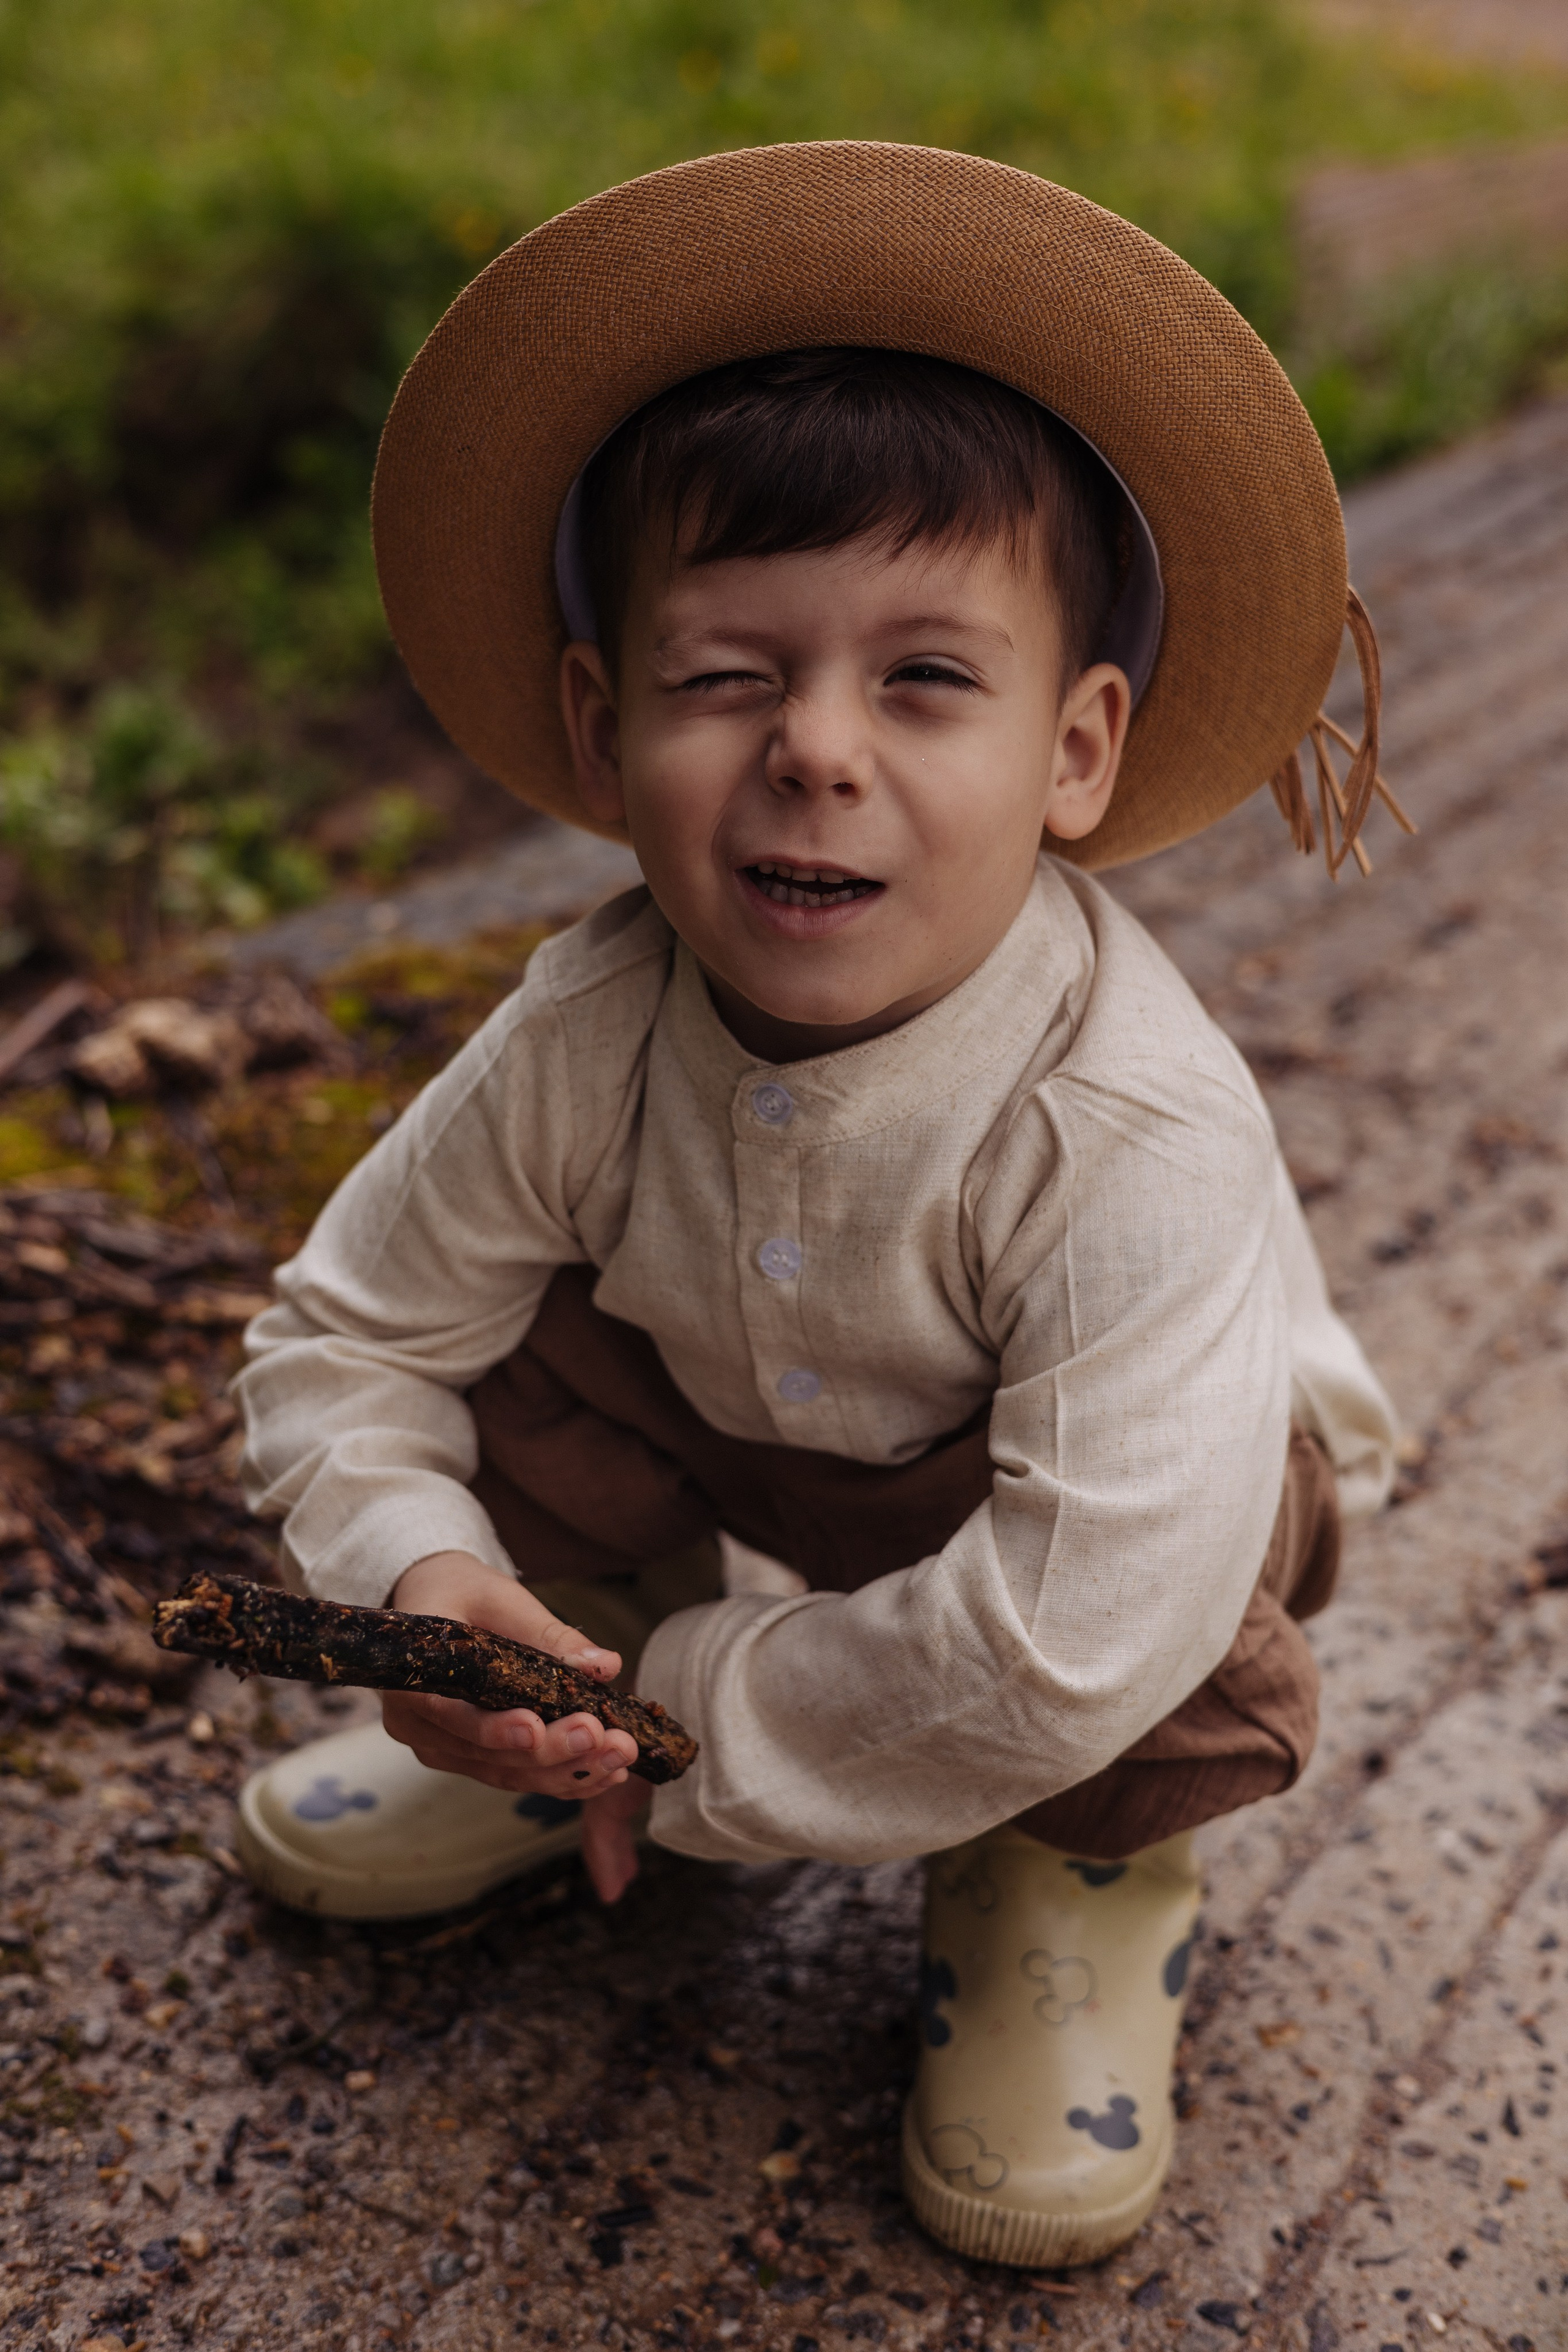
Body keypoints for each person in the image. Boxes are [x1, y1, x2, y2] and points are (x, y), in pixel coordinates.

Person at [232, 143, 1401, 2267]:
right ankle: (527, 1707)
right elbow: (349, 1332)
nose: (817, 751)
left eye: (928, 679)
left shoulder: (1126, 1125)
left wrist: (676, 1726)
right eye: (723, 676)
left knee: (1163, 1671)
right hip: (744, 1430)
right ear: (603, 727)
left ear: (1077, 748)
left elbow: (1068, 1633)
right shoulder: (585, 1034)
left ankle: (1069, 1877)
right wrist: (422, 1585)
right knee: (503, 1351)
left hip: (1107, 1530)